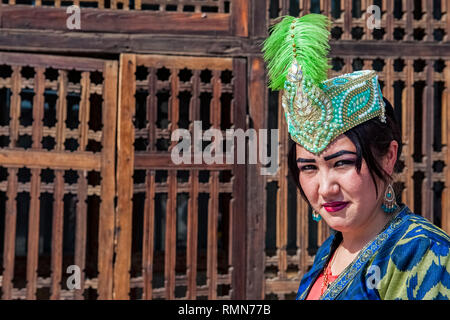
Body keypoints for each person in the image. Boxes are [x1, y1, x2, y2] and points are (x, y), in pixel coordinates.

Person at [263, 13, 450, 300]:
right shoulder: (330, 250)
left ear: (389, 157)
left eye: (342, 163)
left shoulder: (427, 253)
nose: (325, 188)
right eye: (309, 167)